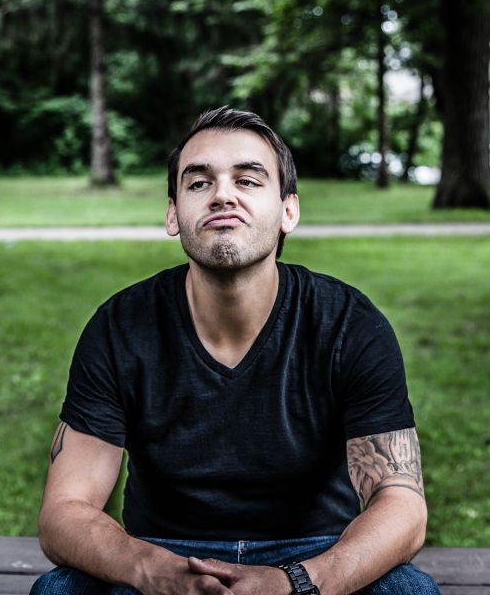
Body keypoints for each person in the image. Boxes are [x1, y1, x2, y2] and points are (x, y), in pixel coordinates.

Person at [31, 107, 440, 595]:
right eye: (199, 182)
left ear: (289, 211)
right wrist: (153, 570)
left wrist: (295, 582)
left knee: (409, 590)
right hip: (165, 552)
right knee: (59, 590)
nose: (222, 194)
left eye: (247, 180)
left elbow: (402, 506)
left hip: (315, 553)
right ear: (172, 213)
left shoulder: (350, 325)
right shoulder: (120, 327)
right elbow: (64, 512)